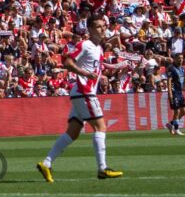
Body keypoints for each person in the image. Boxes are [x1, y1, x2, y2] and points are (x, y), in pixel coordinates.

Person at [37, 13, 124, 182]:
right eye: (98, 26)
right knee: (101, 127)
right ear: (90, 29)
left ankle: (46, 163)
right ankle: (102, 169)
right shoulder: (86, 45)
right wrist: (85, 73)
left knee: (73, 133)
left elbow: (94, 67)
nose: (102, 29)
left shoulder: (98, 48)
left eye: (104, 26)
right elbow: (67, 61)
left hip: (80, 92)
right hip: (85, 92)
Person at [166, 56, 185, 136]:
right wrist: (170, 93)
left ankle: (170, 124)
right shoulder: (171, 69)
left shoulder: (182, 68)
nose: (181, 59)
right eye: (179, 58)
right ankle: (177, 129)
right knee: (177, 111)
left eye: (182, 58)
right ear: (175, 59)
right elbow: (169, 81)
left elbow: (184, 79)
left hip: (180, 93)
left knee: (184, 111)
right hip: (174, 92)